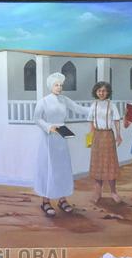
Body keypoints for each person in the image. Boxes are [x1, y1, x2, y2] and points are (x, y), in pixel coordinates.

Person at [33, 72, 90, 216]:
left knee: (62, 168)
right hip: (49, 138)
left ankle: (62, 200)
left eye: (60, 85)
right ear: (50, 86)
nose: (59, 87)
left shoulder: (64, 100)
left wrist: (96, 109)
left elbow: (79, 109)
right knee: (49, 168)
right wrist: (48, 127)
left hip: (61, 137)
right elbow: (37, 118)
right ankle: (45, 201)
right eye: (56, 85)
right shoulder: (43, 101)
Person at [87, 81, 123, 205]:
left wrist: (118, 135)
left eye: (104, 91)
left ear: (108, 92)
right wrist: (90, 137)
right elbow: (91, 121)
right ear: (96, 92)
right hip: (97, 135)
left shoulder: (111, 105)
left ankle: (113, 192)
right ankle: (98, 193)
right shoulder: (94, 105)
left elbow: (117, 120)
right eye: (99, 91)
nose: (101, 93)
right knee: (98, 164)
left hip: (108, 135)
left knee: (110, 163)